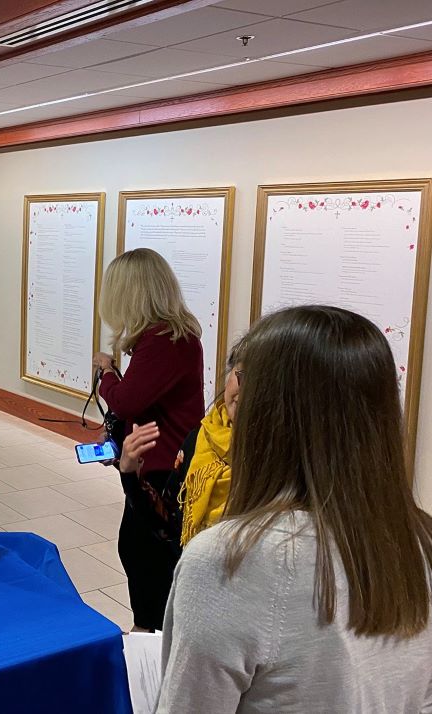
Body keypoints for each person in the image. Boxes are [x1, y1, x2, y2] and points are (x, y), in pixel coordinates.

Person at [156, 305, 432, 712]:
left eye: (245, 377)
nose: (232, 389)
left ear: (270, 416)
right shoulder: (418, 537)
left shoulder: (230, 560)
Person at [93, 247, 203, 632]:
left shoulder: (164, 339)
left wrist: (106, 373)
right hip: (151, 466)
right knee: (141, 555)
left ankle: (147, 643)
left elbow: (126, 401)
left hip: (163, 475)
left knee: (147, 558)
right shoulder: (165, 336)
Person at [118, 338, 244, 555]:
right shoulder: (200, 440)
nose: (249, 390)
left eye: (265, 383)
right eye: (242, 376)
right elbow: (170, 525)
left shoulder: (284, 465)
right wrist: (130, 475)